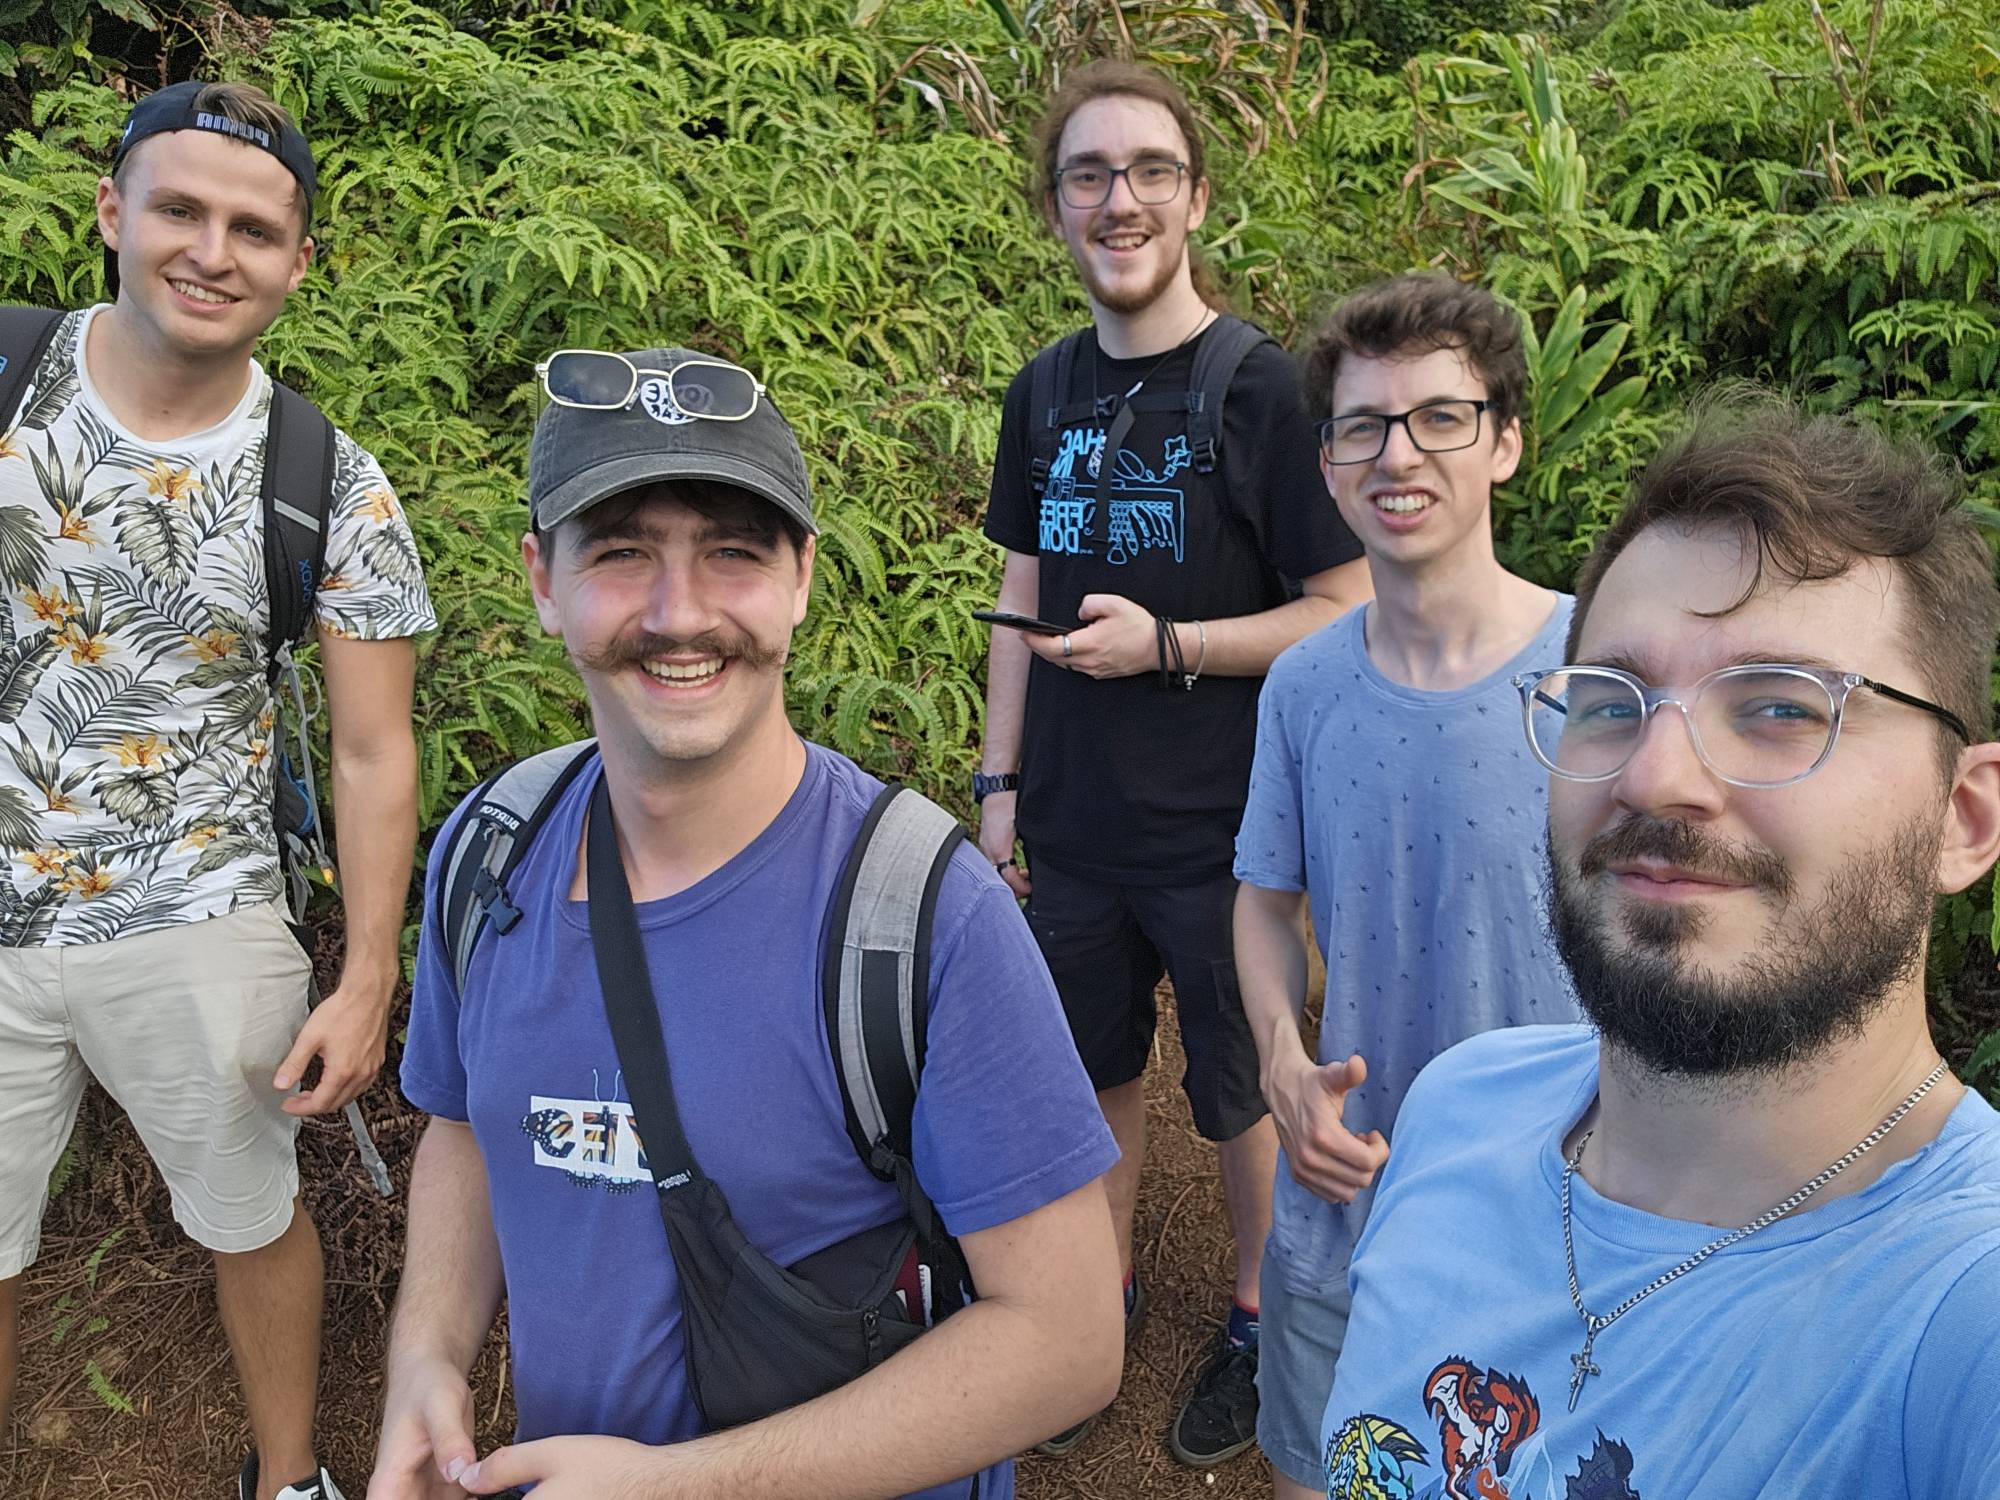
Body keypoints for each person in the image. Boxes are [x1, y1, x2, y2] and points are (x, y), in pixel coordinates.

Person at [372, 348, 1123, 1500]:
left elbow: (1066, 1341)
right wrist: (426, 1359)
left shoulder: (920, 916)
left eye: (734, 552)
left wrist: (677, 1485)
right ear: (539, 577)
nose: (680, 615)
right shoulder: (491, 849)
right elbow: (471, 1131)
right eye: (620, 553)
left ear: (803, 579)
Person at [1316, 393, 2000, 1499]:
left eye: (1779, 707)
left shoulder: (1961, 1312)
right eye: (1610, 701)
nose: (1652, 777)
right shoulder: (1453, 1113)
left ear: (1962, 818)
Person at [0, 81, 434, 1500]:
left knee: (252, 1214)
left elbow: (374, 752)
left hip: (200, 907)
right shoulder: (8, 382)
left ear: (299, 263)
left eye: (255, 227)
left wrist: (366, 976)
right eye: (179, 208)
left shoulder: (327, 481)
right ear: (113, 210)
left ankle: (293, 1475)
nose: (212, 249)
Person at [977, 60, 1371, 1467]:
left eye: (1150, 170)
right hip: (1073, 825)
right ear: (1056, 210)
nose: (1119, 198)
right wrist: (997, 789)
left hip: (1227, 833)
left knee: (1243, 1084)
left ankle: (1262, 1314)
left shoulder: (1260, 388)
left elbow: (1342, 613)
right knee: (1092, 1076)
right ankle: (1101, 1305)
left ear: (1197, 198)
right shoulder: (1043, 390)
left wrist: (1172, 645)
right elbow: (1021, 588)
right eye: (1090, 174)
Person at [1232, 273, 1581, 1500]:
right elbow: (1264, 900)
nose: (1399, 454)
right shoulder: (1302, 686)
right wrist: (1280, 1059)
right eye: (1362, 426)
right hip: (1347, 1221)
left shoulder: (1596, 681)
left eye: (1439, 417)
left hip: (1566, 1230)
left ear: (1504, 442)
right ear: (1327, 467)